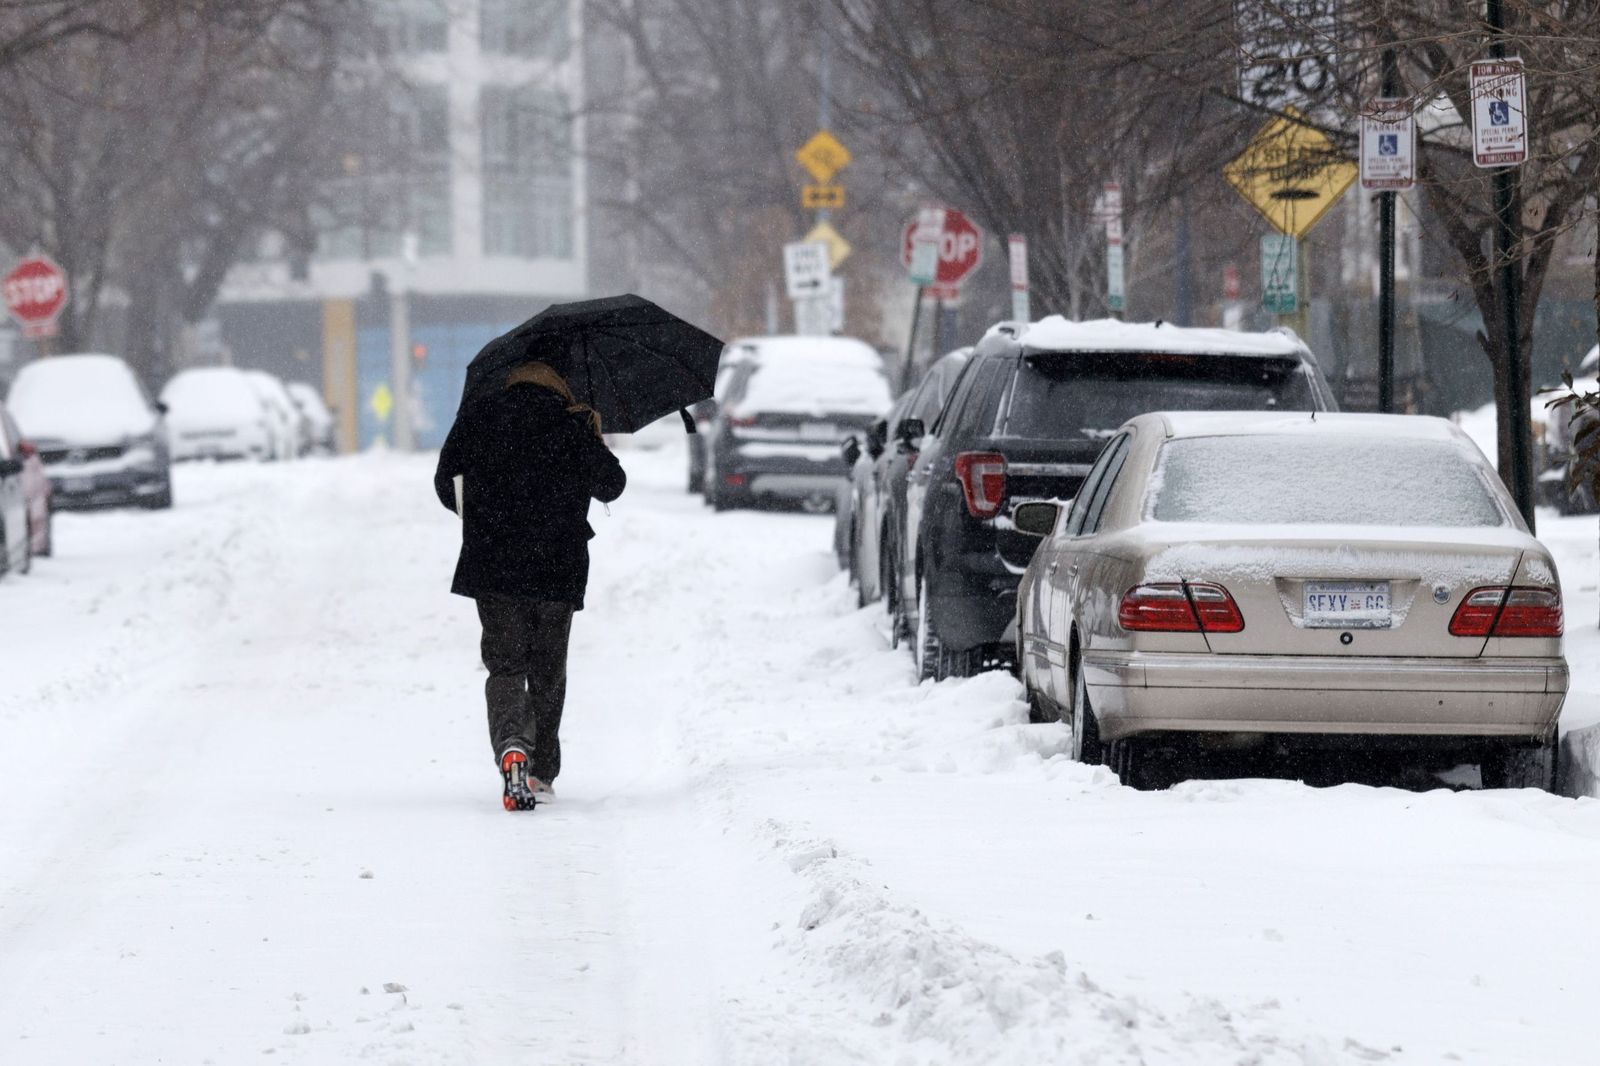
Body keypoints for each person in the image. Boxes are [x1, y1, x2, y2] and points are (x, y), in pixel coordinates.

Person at [433, 361, 626, 810]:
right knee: (547, 669)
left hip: (493, 563)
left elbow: (446, 484)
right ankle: (540, 770)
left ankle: (512, 747)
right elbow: (612, 485)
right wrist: (589, 438)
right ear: (558, 380)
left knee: (505, 665)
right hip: (556, 567)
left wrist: (482, 512)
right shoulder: (571, 422)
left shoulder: (479, 416)